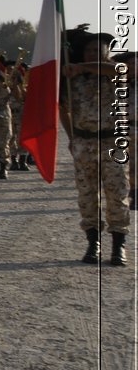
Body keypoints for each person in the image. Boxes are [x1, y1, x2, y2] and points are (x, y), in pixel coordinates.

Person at [62, 26, 131, 265]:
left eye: (97, 50)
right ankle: (93, 244)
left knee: (117, 195)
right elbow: (62, 107)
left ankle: (118, 247)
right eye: (89, 50)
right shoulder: (74, 79)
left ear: (106, 52)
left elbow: (118, 69)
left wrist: (80, 67)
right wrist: (72, 136)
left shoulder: (116, 71)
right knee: (87, 195)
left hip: (112, 142)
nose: (93, 53)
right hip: (85, 143)